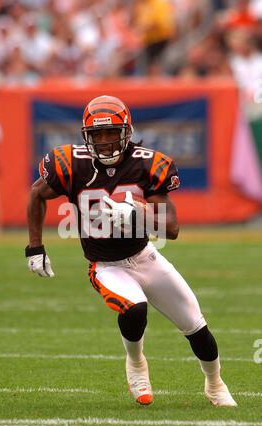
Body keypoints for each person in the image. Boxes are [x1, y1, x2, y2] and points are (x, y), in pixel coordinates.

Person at [26, 95, 237, 407]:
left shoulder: (147, 164)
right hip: (105, 264)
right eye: (98, 135)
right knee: (135, 307)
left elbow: (173, 229)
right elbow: (36, 193)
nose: (106, 141)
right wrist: (34, 247)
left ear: (126, 131)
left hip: (144, 257)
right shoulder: (72, 164)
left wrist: (140, 214)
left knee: (195, 325)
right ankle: (136, 362)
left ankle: (215, 383)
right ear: (87, 136)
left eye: (112, 132)